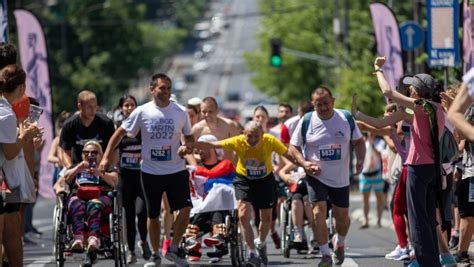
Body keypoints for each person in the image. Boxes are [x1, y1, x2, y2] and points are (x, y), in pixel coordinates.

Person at [100, 73, 193, 266]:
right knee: (152, 215)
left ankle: (174, 248)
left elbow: (189, 136)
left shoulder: (180, 111)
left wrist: (187, 147)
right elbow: (120, 133)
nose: (166, 92)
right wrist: (107, 156)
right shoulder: (142, 112)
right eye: (162, 88)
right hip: (151, 172)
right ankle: (155, 254)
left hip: (176, 169)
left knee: (185, 210)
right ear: (152, 90)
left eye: (169, 88)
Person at [363, 56, 444, 266]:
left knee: (417, 219)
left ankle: (425, 262)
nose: (408, 91)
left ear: (417, 92)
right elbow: (394, 118)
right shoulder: (437, 108)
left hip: (417, 167)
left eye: (411, 88)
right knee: (427, 218)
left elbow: (388, 93)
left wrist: (378, 70)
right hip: (433, 168)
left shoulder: (420, 106)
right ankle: (432, 261)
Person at [185, 121, 297, 267]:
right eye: (249, 136)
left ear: (263, 135)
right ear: (244, 134)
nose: (252, 140)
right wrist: (189, 146)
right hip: (244, 180)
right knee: (243, 214)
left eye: (256, 137)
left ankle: (260, 243)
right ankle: (251, 253)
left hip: (265, 181)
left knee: (266, 219)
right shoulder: (238, 141)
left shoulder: (270, 141)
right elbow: (212, 145)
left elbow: (288, 154)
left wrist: (304, 164)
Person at [289, 86, 365, 267]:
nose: (323, 107)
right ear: (313, 105)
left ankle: (339, 243)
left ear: (333, 101)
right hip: (316, 176)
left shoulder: (345, 118)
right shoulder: (307, 120)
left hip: (340, 177)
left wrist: (360, 159)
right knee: (317, 213)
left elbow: (359, 141)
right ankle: (324, 255)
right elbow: (293, 147)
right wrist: (304, 164)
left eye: (326, 103)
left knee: (342, 218)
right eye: (318, 104)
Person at [0, 64, 40, 267]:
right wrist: (25, 137)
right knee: (11, 237)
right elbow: (9, 152)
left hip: (6, 181)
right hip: (4, 181)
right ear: (21, 88)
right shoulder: (6, 114)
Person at [183, 134, 235, 263]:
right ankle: (192, 241)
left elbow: (213, 175)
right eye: (198, 148)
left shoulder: (226, 164)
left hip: (221, 207)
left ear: (212, 148)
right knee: (198, 206)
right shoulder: (195, 168)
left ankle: (218, 237)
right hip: (201, 208)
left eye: (202, 147)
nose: (198, 151)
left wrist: (196, 170)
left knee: (218, 194)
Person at [113, 95, 151, 264]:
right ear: (121, 109)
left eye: (132, 105)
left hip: (142, 177)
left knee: (142, 212)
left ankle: (143, 241)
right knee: (128, 215)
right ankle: (130, 250)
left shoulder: (143, 127)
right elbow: (112, 151)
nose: (129, 108)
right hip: (125, 177)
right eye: (126, 105)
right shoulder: (118, 129)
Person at [63, 140, 118, 252]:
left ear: (100, 155)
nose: (90, 155)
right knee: (75, 203)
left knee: (93, 203)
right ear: (82, 154)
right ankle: (78, 238)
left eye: (94, 153)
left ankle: (94, 238)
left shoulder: (105, 167)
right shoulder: (76, 166)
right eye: (86, 152)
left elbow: (114, 181)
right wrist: (78, 168)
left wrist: (100, 173)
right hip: (79, 197)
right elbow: (66, 178)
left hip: (101, 198)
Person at [59, 90, 115, 168]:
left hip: (101, 168)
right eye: (89, 106)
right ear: (79, 106)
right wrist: (71, 169)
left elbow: (114, 149)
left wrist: (108, 167)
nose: (93, 110)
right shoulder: (69, 125)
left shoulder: (106, 123)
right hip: (78, 167)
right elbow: (65, 152)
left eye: (95, 106)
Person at [453, 104, 474, 264]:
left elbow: (459, 146)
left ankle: (462, 253)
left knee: (468, 214)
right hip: (468, 170)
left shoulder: (470, 110)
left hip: (472, 172)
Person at [192, 96, 241, 162]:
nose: (207, 115)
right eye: (204, 112)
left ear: (217, 111)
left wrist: (234, 167)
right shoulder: (196, 129)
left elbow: (239, 148)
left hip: (226, 169)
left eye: (210, 111)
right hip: (206, 170)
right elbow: (191, 153)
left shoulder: (229, 125)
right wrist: (204, 158)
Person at [358, 132, 385, 229]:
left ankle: (379, 220)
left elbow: (380, 156)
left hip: (376, 174)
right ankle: (365, 220)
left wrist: (372, 145)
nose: (371, 134)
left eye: (372, 133)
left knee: (379, 199)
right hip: (365, 175)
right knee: (365, 199)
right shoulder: (363, 143)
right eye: (369, 133)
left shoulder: (380, 143)